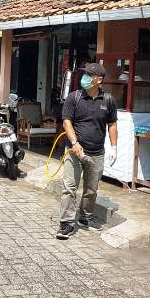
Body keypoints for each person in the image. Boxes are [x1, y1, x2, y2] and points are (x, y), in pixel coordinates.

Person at [56, 63, 118, 240]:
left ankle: (85, 217)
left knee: (91, 189)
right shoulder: (74, 97)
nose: (84, 78)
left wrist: (114, 147)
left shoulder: (108, 100)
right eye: (84, 75)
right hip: (74, 151)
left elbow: (112, 124)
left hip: (97, 152)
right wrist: (74, 143)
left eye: (89, 75)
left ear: (99, 79)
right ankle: (66, 224)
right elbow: (66, 122)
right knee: (69, 187)